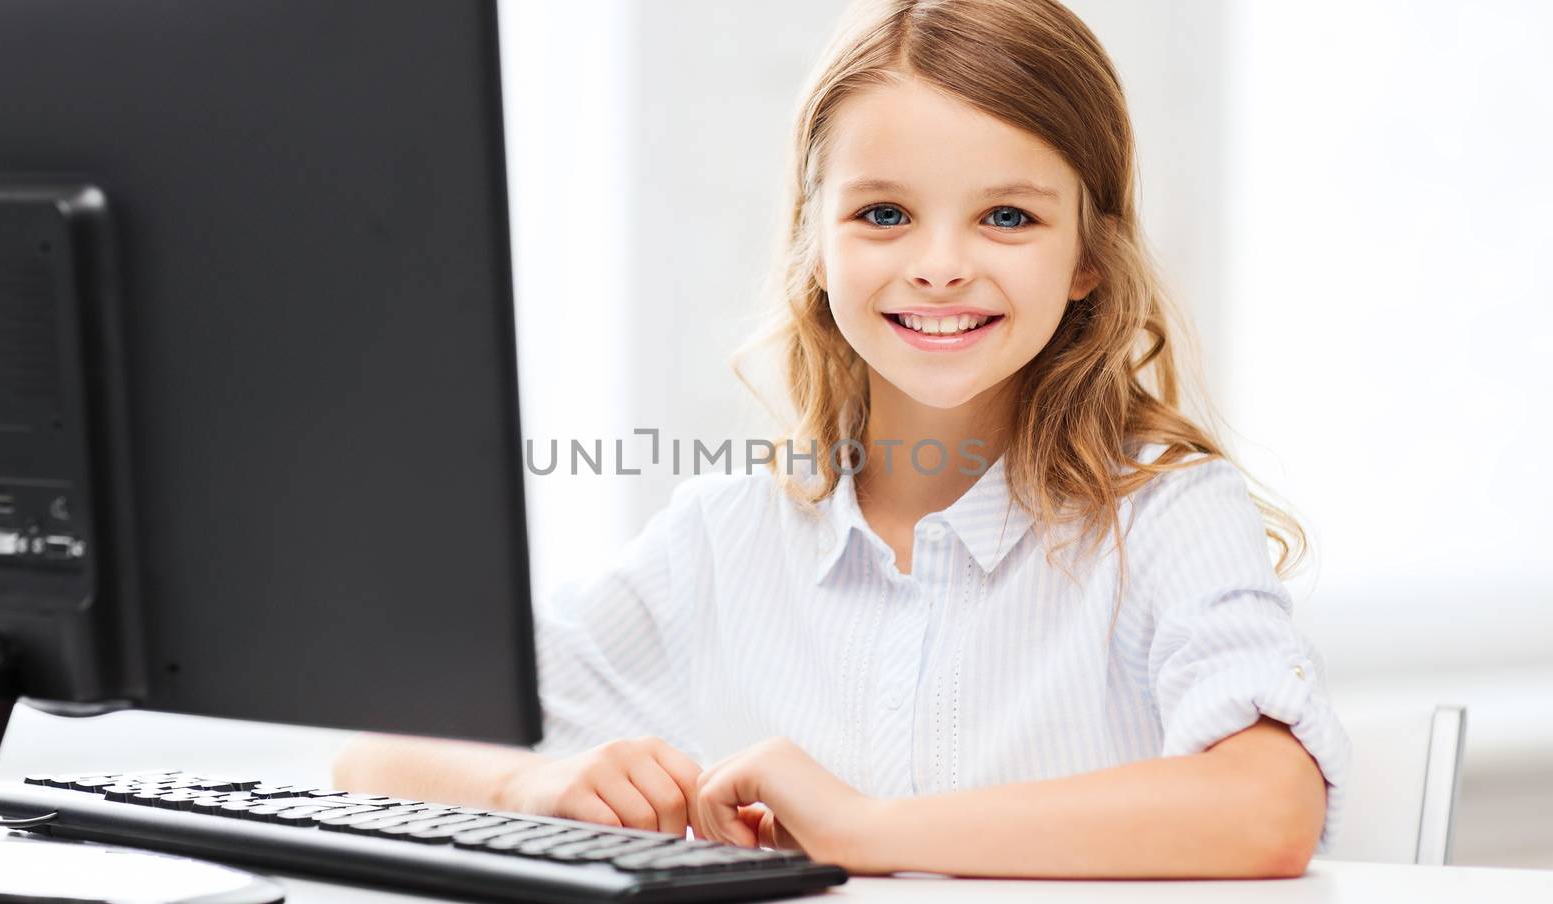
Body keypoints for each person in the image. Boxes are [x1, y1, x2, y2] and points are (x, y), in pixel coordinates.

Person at [334, 0, 1349, 878]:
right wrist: (540, 783)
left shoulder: (1165, 517)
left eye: (1005, 215)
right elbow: (372, 752)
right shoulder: (726, 536)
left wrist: (871, 828)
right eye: (883, 213)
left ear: (1088, 255)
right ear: (812, 243)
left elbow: (1267, 810)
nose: (941, 264)